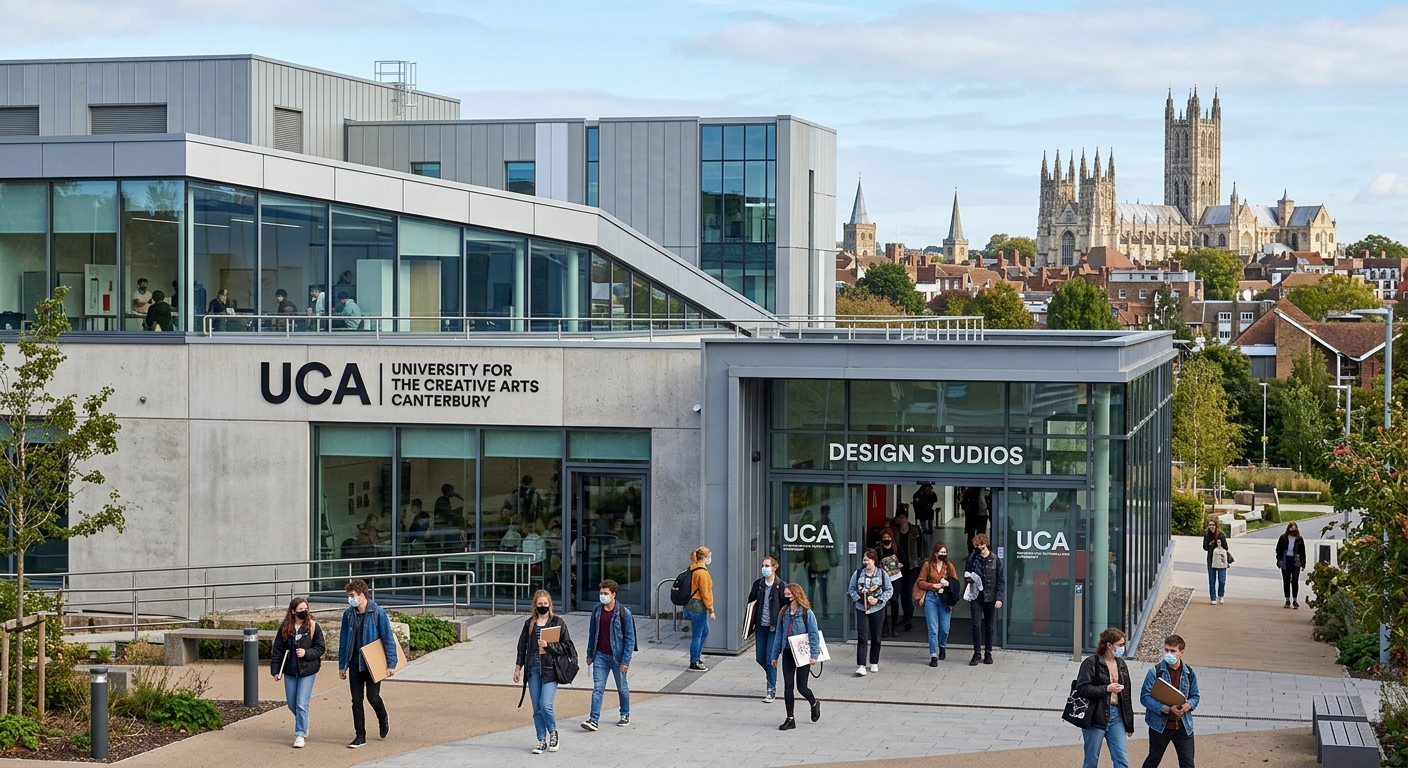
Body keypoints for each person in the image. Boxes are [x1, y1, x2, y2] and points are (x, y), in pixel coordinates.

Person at [514, 589, 575, 754]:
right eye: (539, 604)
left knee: (546, 704)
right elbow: (522, 647)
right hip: (533, 669)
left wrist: (549, 646)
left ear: (550, 605)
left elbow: (568, 646)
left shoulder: (558, 622)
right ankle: (541, 739)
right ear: (535, 605)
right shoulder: (529, 624)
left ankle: (553, 733)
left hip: (550, 669)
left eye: (545, 604)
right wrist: (518, 668)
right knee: (536, 708)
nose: (542, 607)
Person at [337, 579, 396, 749]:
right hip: (355, 663)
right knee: (356, 700)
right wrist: (343, 665)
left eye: (352, 595)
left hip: (372, 664)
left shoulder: (378, 613)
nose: (350, 599)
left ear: (361, 595)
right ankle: (360, 736)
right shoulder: (348, 615)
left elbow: (388, 639)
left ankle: (382, 716)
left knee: (372, 697)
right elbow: (343, 641)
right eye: (349, 596)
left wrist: (391, 664)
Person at [1076, 628, 1136, 768]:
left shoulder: (1121, 664)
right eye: (1120, 645)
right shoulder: (1091, 663)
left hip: (1117, 716)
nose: (1123, 648)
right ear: (1109, 645)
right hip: (1096, 716)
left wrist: (1129, 723)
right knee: (1091, 760)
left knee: (1122, 759)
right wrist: (1107, 689)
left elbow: (1126, 696)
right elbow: (1082, 688)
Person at [271, 597, 325, 749]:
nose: (304, 612)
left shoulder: (313, 626)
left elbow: (320, 648)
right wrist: (275, 670)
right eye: (300, 610)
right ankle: (303, 721)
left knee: (301, 703)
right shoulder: (285, 627)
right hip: (290, 670)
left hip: (308, 670)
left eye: (305, 609)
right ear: (293, 611)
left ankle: (300, 734)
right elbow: (277, 650)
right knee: (292, 704)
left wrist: (306, 653)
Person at [1139, 634, 1199, 768]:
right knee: (1153, 760)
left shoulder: (1189, 673)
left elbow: (1195, 696)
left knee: (1188, 763)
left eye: (1172, 651)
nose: (1168, 653)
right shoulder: (1155, 672)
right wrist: (1165, 708)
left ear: (1181, 653)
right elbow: (1144, 697)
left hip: (1183, 726)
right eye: (1166, 650)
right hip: (1160, 726)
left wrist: (1188, 706)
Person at [581, 579, 634, 731]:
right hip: (600, 656)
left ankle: (625, 714)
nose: (602, 596)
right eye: (601, 593)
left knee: (622, 687)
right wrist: (590, 654)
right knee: (598, 688)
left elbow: (630, 638)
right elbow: (593, 633)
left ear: (613, 595)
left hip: (618, 657)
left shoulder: (624, 613)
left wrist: (626, 661)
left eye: (606, 593)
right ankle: (593, 719)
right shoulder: (597, 611)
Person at [768, 582, 821, 731]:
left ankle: (814, 703)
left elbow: (813, 634)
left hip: (802, 653)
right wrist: (774, 655)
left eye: (789, 595)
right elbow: (779, 634)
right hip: (788, 652)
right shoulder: (784, 612)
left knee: (802, 687)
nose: (786, 597)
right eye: (785, 595)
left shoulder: (806, 613)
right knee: (788, 687)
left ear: (796, 595)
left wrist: (814, 655)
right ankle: (790, 718)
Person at [846, 547, 892, 676]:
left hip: (877, 609)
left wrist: (878, 600)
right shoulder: (858, 573)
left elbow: (889, 590)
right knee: (862, 636)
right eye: (864, 560)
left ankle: (874, 662)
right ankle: (861, 665)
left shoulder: (882, 574)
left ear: (874, 560)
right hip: (861, 608)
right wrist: (859, 599)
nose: (866, 563)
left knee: (876, 636)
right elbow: (851, 589)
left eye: (868, 560)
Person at [747, 556, 784, 702]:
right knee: (760, 658)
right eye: (763, 565)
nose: (764, 568)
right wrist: (751, 623)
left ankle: (771, 688)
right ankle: (771, 675)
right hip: (760, 627)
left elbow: (784, 606)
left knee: (770, 659)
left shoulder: (781, 586)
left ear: (775, 567)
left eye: (767, 565)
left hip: (774, 628)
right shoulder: (758, 584)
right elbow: (751, 602)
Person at [965, 532, 1005, 666]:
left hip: (990, 596)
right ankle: (977, 652)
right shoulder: (973, 558)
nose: (980, 549)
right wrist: (970, 579)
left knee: (989, 626)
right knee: (976, 625)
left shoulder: (995, 559)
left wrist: (999, 598)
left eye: (981, 545)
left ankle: (988, 652)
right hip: (977, 596)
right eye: (977, 546)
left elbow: (1001, 580)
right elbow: (966, 573)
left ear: (986, 544)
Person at [915, 540, 958, 665]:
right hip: (931, 598)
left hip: (945, 599)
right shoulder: (928, 566)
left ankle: (942, 645)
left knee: (945, 628)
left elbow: (955, 583)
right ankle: (933, 655)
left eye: (945, 552)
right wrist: (933, 585)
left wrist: (947, 583)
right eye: (941, 552)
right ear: (935, 553)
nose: (943, 554)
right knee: (933, 628)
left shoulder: (949, 566)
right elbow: (920, 582)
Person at [893, 510, 926, 632]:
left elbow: (922, 545)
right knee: (902, 592)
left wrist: (922, 561)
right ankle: (906, 616)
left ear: (907, 518)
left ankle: (909, 618)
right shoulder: (895, 532)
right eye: (899, 518)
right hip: (900, 566)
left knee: (910, 590)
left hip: (913, 565)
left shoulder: (915, 530)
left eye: (903, 517)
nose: (901, 520)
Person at [684, 546, 715, 671]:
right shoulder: (702, 572)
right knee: (697, 634)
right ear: (705, 557)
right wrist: (711, 610)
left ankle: (696, 656)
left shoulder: (693, 568)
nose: (710, 558)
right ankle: (694, 661)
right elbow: (705, 593)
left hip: (691, 604)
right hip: (698, 606)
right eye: (709, 556)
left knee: (704, 631)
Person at [876, 528, 903, 637]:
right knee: (883, 603)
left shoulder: (897, 550)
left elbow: (905, 561)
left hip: (896, 579)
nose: (887, 540)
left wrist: (900, 564)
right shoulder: (878, 551)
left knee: (894, 602)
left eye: (888, 538)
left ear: (892, 538)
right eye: (884, 538)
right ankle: (884, 627)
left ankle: (894, 626)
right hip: (883, 580)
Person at [1275, 522, 1307, 609]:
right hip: (1286, 560)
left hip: (1295, 561)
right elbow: (1278, 549)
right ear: (1288, 529)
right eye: (1291, 529)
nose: (1293, 531)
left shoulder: (1299, 539)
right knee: (1286, 580)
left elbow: (1302, 552)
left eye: (1294, 529)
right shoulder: (1283, 538)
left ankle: (1295, 600)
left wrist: (1303, 563)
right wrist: (1279, 559)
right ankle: (1287, 599)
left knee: (1295, 580)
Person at [1202, 520, 1230, 605]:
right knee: (1212, 580)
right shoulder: (1207, 535)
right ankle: (1213, 598)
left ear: (1216, 525)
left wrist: (1219, 544)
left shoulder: (1221, 535)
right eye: (1210, 525)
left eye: (1213, 525)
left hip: (1221, 560)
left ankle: (1221, 595)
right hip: (1211, 560)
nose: (1211, 527)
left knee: (1222, 580)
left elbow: (1226, 547)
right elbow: (1205, 547)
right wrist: (1210, 543)